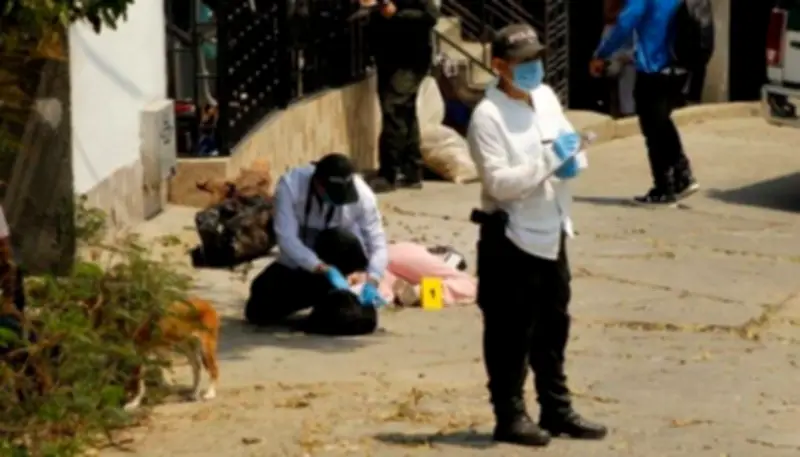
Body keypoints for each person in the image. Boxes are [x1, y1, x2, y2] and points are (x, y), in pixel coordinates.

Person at [467, 24, 607, 447]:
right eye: (523, 61)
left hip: (552, 228)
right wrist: (549, 160)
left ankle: (556, 408)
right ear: (499, 66)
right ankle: (510, 415)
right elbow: (499, 183)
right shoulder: (487, 117)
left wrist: (573, 160)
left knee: (553, 326)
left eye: (536, 59)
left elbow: (568, 142)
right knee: (510, 332)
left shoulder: (545, 97)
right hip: (511, 236)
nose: (533, 68)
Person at [244, 153, 388, 327]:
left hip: (341, 256)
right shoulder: (291, 186)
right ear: (318, 184)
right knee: (258, 308)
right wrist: (323, 269)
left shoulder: (364, 196)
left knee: (337, 239)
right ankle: (321, 298)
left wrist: (373, 280)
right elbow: (287, 239)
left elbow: (378, 245)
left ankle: (340, 297)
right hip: (303, 263)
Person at [591, 0, 700, 205]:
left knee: (652, 127)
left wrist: (602, 53)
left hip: (653, 68)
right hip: (680, 68)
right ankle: (681, 175)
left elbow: (625, 23)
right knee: (662, 122)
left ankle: (664, 187)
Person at [363, 0, 440, 193]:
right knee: (405, 112)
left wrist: (396, 15)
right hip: (389, 59)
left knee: (394, 111)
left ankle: (389, 173)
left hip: (409, 61)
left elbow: (431, 16)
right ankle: (411, 170)